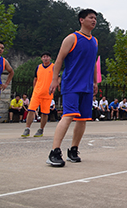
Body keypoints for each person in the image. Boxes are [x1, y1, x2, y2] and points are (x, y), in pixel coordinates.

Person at [46, 9, 99, 167]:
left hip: (87, 86)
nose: (94, 20)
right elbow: (59, 60)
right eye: (91, 17)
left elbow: (93, 63)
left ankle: (73, 149)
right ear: (81, 20)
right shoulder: (72, 38)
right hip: (72, 84)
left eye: (95, 18)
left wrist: (95, 82)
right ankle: (54, 151)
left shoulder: (95, 41)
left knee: (82, 119)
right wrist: (54, 79)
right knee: (68, 116)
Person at [22, 52, 55, 138]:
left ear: (50, 58)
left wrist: (55, 87)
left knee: (45, 113)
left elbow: (57, 78)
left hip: (47, 94)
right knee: (31, 110)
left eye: (47, 57)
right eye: (44, 57)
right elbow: (35, 79)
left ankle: (41, 129)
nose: (45, 58)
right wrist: (34, 89)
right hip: (37, 93)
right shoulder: (38, 67)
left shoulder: (53, 67)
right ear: (41, 58)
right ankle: (27, 128)